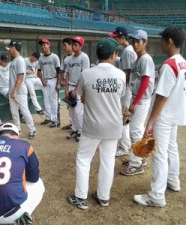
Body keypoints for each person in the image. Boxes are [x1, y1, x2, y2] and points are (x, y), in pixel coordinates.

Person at [134, 27, 186, 207]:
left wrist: (150, 121)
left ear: (170, 41)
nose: (161, 43)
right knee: (172, 148)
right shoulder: (182, 62)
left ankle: (157, 195)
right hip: (175, 113)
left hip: (164, 116)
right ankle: (173, 181)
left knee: (159, 154)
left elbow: (161, 97)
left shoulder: (168, 65)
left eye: (163, 40)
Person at [67, 37, 125, 209]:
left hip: (92, 126)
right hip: (113, 126)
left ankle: (81, 198)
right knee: (108, 162)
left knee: (84, 160)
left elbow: (83, 97)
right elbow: (119, 98)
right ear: (113, 55)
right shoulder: (121, 75)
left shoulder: (86, 74)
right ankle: (103, 197)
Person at [0, 122, 45, 224]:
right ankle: (20, 218)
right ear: (17, 137)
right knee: (39, 184)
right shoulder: (24, 145)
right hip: (13, 214)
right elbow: (34, 178)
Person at [120, 30, 156, 176]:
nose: (135, 44)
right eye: (133, 41)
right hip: (138, 98)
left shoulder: (145, 59)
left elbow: (146, 82)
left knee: (135, 130)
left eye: (138, 41)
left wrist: (135, 102)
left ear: (145, 42)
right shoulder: (138, 59)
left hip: (141, 99)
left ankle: (136, 164)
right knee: (136, 129)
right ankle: (139, 159)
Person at [109, 27, 137, 157]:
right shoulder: (127, 51)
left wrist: (121, 90)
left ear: (122, 38)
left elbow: (127, 73)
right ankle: (125, 145)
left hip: (127, 89)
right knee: (124, 117)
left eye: (116, 37)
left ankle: (125, 146)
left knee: (124, 117)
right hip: (127, 88)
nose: (114, 39)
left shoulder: (128, 51)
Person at [7, 40, 37, 139]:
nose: (9, 49)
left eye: (10, 47)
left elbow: (20, 77)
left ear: (14, 48)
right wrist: (10, 90)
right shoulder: (13, 61)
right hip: (13, 91)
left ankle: (32, 130)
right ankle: (17, 131)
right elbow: (13, 78)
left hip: (19, 92)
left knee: (24, 111)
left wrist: (14, 91)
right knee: (14, 112)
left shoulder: (20, 60)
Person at [65, 36, 90, 142]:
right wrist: (66, 89)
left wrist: (76, 90)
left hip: (79, 87)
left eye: (76, 45)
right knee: (71, 111)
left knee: (78, 111)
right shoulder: (69, 59)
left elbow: (84, 75)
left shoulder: (84, 57)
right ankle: (75, 130)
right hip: (70, 85)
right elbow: (67, 74)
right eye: (73, 44)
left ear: (81, 46)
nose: (74, 46)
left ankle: (81, 132)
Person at [38, 38, 61, 128]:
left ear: (49, 45)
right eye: (42, 45)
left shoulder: (54, 57)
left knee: (53, 100)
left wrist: (58, 83)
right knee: (46, 100)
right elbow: (39, 71)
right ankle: (48, 117)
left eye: (45, 45)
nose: (43, 46)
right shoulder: (41, 58)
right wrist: (42, 80)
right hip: (45, 80)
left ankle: (54, 119)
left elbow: (59, 71)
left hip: (54, 79)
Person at [61, 38, 74, 131]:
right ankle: (72, 123)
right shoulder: (65, 58)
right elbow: (63, 70)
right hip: (67, 83)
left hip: (75, 83)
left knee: (77, 107)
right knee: (69, 105)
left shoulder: (77, 56)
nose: (64, 47)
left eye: (65, 45)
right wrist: (62, 79)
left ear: (71, 45)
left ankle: (77, 126)